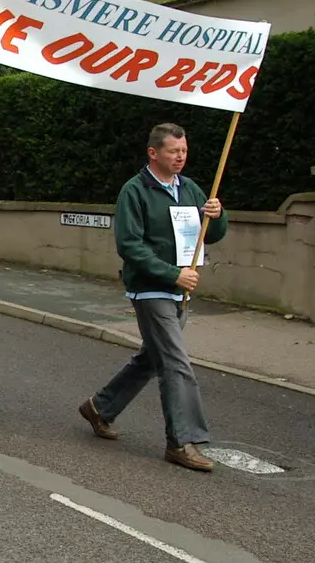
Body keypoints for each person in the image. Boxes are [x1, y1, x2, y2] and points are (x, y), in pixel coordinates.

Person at [80, 122, 228, 473]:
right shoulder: (135, 191)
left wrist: (218, 217)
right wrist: (171, 273)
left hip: (181, 291)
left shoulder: (189, 189)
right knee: (177, 362)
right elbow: (129, 245)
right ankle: (181, 441)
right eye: (174, 151)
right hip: (150, 289)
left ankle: (100, 407)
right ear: (153, 153)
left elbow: (212, 235)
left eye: (184, 151)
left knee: (152, 358)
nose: (181, 157)